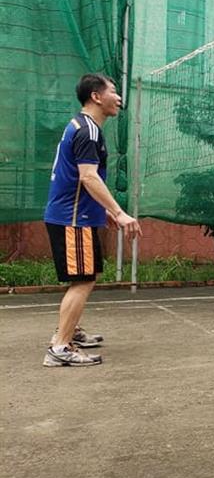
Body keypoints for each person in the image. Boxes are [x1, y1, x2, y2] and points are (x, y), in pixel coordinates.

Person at [43, 74, 142, 367]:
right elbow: (88, 177)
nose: (119, 98)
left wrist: (104, 211)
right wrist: (119, 212)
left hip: (72, 215)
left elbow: (79, 177)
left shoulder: (81, 125)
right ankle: (60, 347)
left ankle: (70, 330)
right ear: (96, 97)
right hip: (73, 218)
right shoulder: (89, 131)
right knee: (84, 279)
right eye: (113, 91)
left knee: (83, 277)